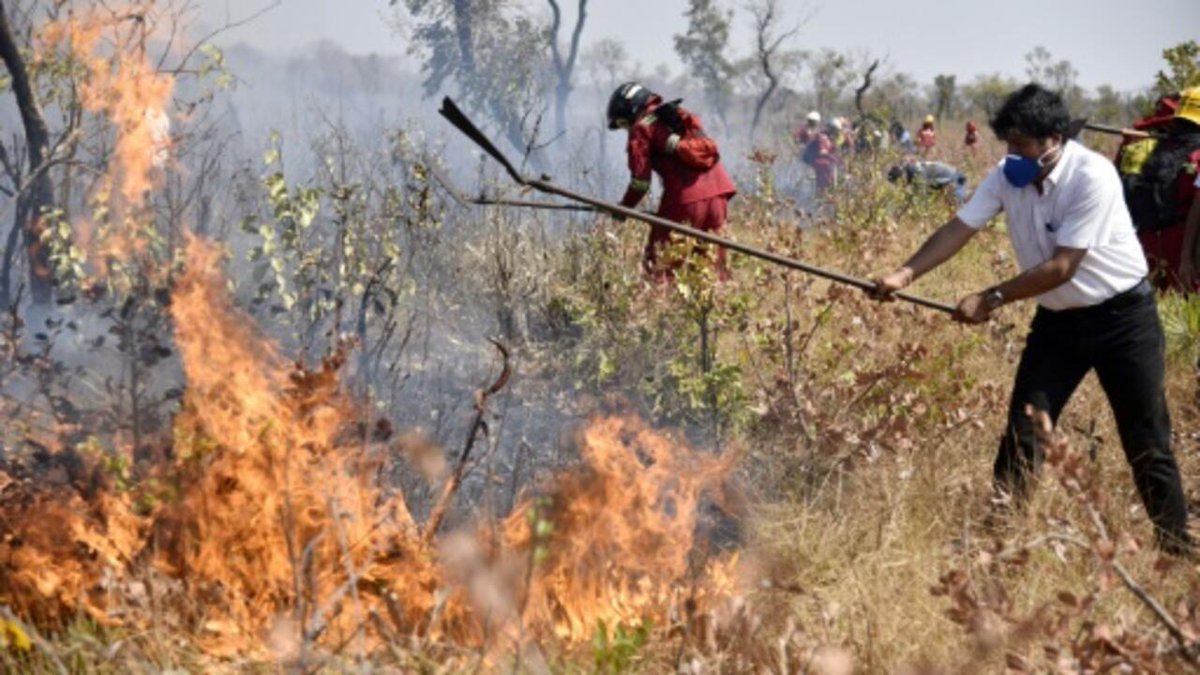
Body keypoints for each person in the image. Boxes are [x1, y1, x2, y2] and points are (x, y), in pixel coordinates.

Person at [869, 83, 1193, 556]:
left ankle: (1175, 546)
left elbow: (1064, 265)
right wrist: (904, 273)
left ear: (1054, 139)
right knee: (1024, 434)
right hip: (1059, 323)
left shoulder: (1093, 175)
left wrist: (992, 297)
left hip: (1123, 321)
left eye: (1022, 144)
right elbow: (960, 228)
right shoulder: (1006, 175)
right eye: (1009, 144)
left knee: (1146, 440)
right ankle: (998, 540)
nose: (1013, 154)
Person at [607, 82, 737, 280]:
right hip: (719, 195)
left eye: (624, 124)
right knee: (712, 271)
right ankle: (715, 310)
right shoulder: (678, 115)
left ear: (632, 111)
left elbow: (640, 182)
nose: (627, 130)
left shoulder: (641, 129)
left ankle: (656, 310)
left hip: (684, 201)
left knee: (658, 269)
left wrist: (623, 209)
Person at [1120, 87, 1200, 292]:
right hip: (1181, 246)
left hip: (1147, 243)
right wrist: (1186, 258)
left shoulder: (1152, 147)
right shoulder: (1195, 155)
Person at [886, 157, 967, 202]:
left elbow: (920, 200)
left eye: (898, 183)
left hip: (956, 180)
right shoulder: (913, 170)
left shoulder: (917, 174)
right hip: (946, 181)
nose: (900, 186)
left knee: (959, 213)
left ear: (902, 177)